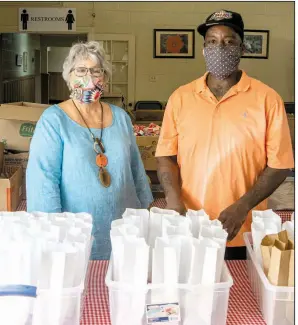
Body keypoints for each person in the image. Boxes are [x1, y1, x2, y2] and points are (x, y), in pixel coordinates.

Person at [155, 10, 294, 259]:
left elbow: (280, 165)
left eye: (229, 42)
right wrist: (174, 201)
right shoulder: (181, 98)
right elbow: (166, 155)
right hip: (191, 226)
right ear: (203, 49)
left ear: (242, 48)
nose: (220, 48)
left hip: (244, 228)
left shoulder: (267, 99)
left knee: (241, 295)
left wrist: (242, 206)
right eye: (212, 42)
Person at [26, 41, 153, 260]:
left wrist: (146, 212)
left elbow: (136, 169)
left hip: (124, 230)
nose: (90, 78)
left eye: (97, 71)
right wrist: (54, 236)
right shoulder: (53, 120)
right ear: (68, 76)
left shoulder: (121, 117)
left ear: (105, 78)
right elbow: (43, 182)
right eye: (81, 71)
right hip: (75, 237)